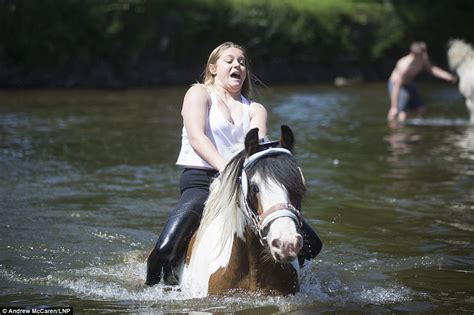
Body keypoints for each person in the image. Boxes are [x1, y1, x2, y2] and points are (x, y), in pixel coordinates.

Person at [146, 42, 322, 286]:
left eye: (241, 62)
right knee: (165, 247)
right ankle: (151, 293)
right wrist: (228, 171)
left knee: (313, 244)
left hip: (243, 182)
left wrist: (285, 167)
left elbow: (256, 148)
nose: (237, 65)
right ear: (213, 68)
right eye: (229, 60)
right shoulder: (198, 93)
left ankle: (298, 282)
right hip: (201, 183)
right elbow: (197, 138)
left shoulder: (255, 109)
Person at [387, 41, 457, 121]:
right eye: (423, 53)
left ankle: (416, 127)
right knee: (402, 111)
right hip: (397, 85)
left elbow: (432, 69)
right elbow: (397, 85)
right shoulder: (404, 65)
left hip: (409, 84)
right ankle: (397, 129)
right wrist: (394, 106)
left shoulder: (423, 59)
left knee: (422, 109)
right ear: (415, 54)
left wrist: (448, 76)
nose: (425, 55)